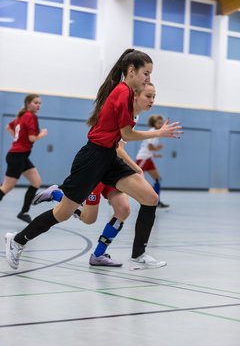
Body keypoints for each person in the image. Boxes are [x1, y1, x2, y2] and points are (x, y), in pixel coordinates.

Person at [5, 48, 182, 271]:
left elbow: (120, 138)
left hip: (108, 157)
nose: (148, 79)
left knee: (150, 198)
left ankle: (138, 255)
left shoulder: (125, 92)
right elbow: (126, 134)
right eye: (146, 73)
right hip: (93, 157)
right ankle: (18, 239)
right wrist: (158, 132)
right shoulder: (123, 92)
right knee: (63, 214)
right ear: (131, 71)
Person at [31, 83, 157, 269]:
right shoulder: (123, 110)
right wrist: (136, 168)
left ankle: (98, 255)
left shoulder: (135, 115)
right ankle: (57, 194)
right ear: (136, 96)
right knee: (89, 219)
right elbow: (118, 148)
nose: (152, 100)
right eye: (149, 95)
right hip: (99, 171)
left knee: (123, 210)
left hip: (115, 171)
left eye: (154, 96)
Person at [0, 94, 48, 223]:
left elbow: (8, 127)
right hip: (17, 156)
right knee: (6, 187)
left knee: (36, 182)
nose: (38, 105)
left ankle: (24, 212)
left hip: (21, 156)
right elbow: (32, 138)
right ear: (28, 104)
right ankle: (24, 211)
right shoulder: (30, 116)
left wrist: (19, 138)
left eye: (40, 103)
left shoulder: (22, 116)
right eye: (35, 102)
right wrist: (42, 134)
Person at [136, 114, 169, 208]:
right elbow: (150, 147)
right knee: (132, 180)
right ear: (153, 123)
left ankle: (157, 201)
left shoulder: (157, 133)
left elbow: (149, 149)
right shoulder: (152, 132)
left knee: (158, 179)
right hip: (142, 159)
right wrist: (157, 149)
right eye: (159, 123)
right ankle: (116, 196)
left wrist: (155, 154)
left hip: (148, 159)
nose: (161, 124)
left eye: (161, 123)